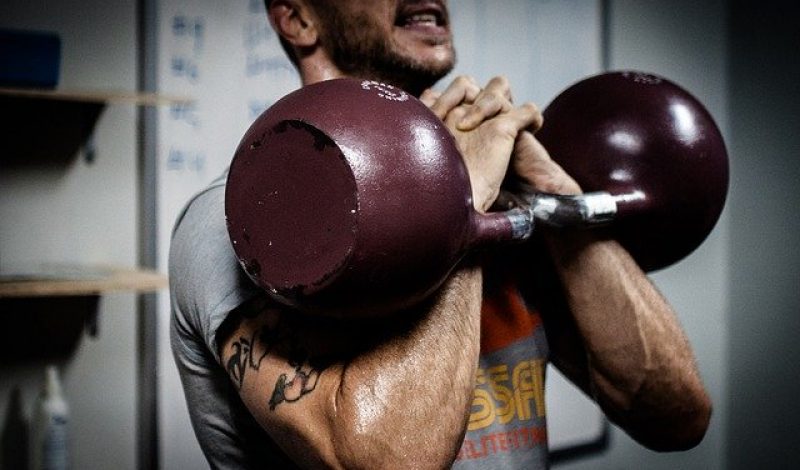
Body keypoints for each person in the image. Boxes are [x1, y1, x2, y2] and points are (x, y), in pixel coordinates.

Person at [169, 0, 712, 468]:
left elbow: (676, 416)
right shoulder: (239, 226)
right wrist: (463, 208)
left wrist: (554, 200)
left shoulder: (504, 190)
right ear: (298, 18)